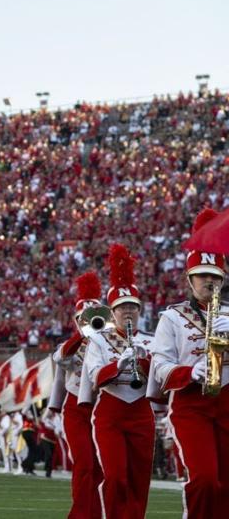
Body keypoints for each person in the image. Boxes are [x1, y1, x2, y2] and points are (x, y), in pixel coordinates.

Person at [149, 208, 229, 517]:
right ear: (189, 278)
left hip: (226, 401)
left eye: (215, 276)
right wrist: (189, 371)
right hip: (191, 405)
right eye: (203, 276)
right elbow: (160, 364)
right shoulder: (171, 317)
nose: (209, 281)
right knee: (205, 479)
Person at [81, 246, 153, 519]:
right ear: (112, 313)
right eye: (122, 308)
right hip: (111, 411)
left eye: (133, 307)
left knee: (138, 480)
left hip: (140, 412)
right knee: (116, 477)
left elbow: (160, 382)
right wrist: (119, 364)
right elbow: (95, 377)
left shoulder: (150, 339)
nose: (128, 313)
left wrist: (145, 361)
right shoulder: (98, 340)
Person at [47, 270, 104, 518]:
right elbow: (61, 361)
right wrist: (54, 406)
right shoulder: (69, 344)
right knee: (84, 463)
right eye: (84, 318)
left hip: (101, 406)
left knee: (101, 466)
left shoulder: (108, 342)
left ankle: (98, 511)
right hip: (76, 408)